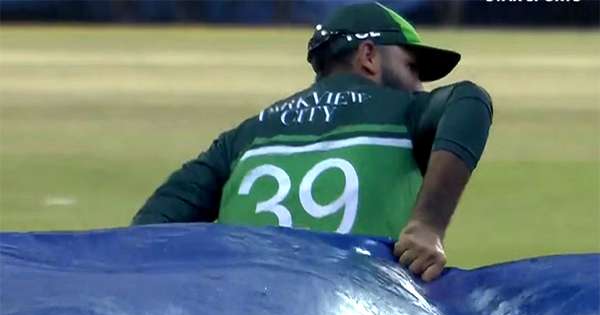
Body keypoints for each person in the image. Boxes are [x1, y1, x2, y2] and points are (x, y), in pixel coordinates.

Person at [132, 2, 493, 282]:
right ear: (369, 56)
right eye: (413, 68)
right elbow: (470, 102)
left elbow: (145, 233)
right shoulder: (406, 112)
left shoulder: (245, 135)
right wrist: (427, 226)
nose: (419, 87)